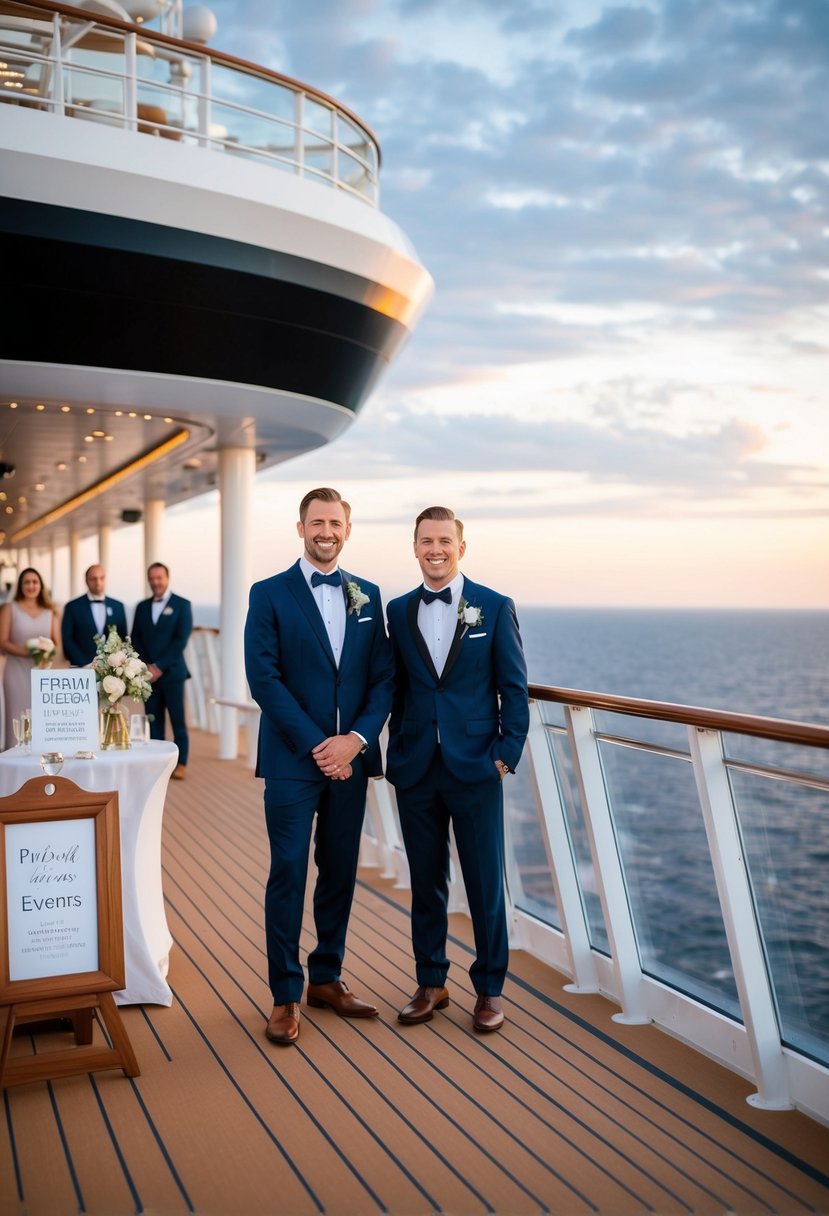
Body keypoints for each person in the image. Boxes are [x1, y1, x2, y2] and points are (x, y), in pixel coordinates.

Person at [244, 487, 393, 1046]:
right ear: (300, 527)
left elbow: (383, 678)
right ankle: (285, 994)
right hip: (291, 759)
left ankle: (325, 978)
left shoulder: (368, 595)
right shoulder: (269, 593)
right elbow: (264, 679)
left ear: (347, 530)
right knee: (288, 871)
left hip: (349, 761)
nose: (325, 531)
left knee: (339, 869)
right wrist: (318, 745)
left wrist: (353, 741)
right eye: (316, 522)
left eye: (335, 522)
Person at [386, 506, 529, 1034]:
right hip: (417, 767)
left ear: (460, 547)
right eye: (426, 541)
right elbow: (396, 686)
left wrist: (504, 756)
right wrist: (395, 749)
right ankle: (431, 982)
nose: (435, 549)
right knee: (426, 882)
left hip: (476, 768)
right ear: (415, 546)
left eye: (444, 540)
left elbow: (514, 689)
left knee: (485, 883)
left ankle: (490, 990)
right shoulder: (399, 611)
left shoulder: (494, 607)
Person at [130, 562, 193, 780]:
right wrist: (146, 666)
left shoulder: (182, 605)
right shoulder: (142, 607)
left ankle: (181, 763)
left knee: (178, 721)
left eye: (160, 578)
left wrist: (159, 666)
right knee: (153, 721)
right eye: (152, 578)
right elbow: (135, 637)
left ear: (167, 578)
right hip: (148, 676)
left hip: (173, 673)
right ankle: (158, 765)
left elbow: (180, 641)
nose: (156, 582)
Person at [0, 567, 61, 750]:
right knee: (17, 718)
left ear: (40, 585)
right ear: (20, 586)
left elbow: (56, 643)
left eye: (35, 582)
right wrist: (27, 652)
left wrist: (46, 653)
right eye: (27, 582)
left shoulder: (51, 611)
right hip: (16, 672)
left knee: (42, 719)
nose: (31, 586)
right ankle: (13, 763)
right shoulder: (10, 608)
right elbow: (2, 641)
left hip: (43, 674)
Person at [61, 563, 128, 667]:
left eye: (102, 578)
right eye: (93, 578)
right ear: (86, 581)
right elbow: (67, 639)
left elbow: (123, 638)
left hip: (111, 670)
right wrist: (84, 664)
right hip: (81, 668)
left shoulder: (118, 606)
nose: (98, 582)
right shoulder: (72, 607)